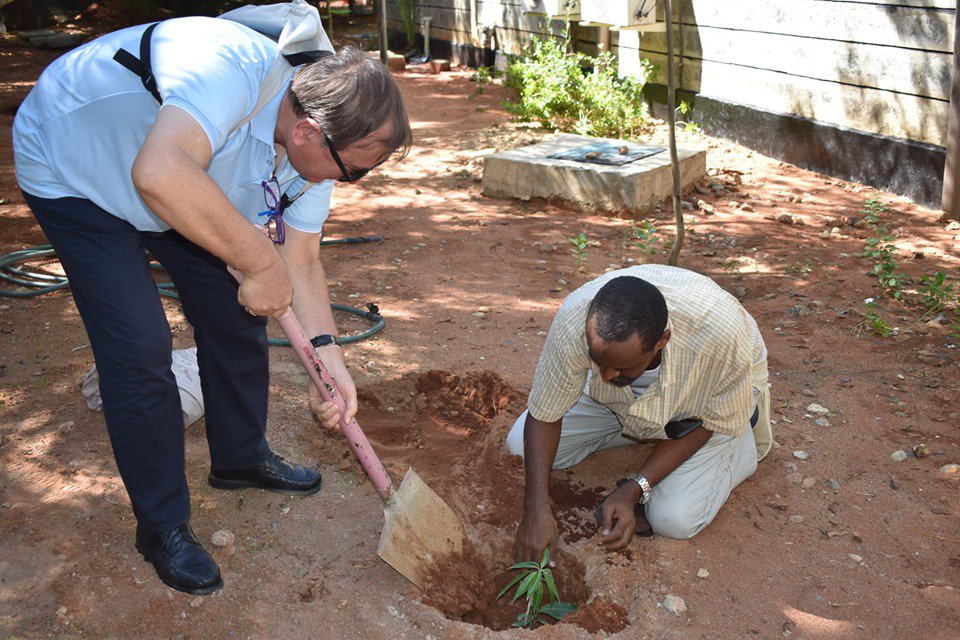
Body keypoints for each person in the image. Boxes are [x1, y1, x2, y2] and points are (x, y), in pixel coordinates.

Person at [12, 15, 411, 594]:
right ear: (306, 132)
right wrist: (258, 260)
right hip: (79, 173)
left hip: (181, 184)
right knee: (140, 348)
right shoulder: (227, 72)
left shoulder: (323, 140)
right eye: (354, 172)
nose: (353, 182)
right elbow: (159, 172)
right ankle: (162, 527)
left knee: (234, 313)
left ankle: (239, 457)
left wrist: (331, 360)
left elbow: (299, 261)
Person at [507, 265, 772, 562]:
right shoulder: (576, 319)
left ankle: (738, 444)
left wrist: (634, 489)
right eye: (599, 361)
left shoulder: (721, 340)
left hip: (704, 400)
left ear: (661, 341)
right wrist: (535, 510)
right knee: (519, 447)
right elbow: (544, 414)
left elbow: (707, 422)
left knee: (673, 519)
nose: (607, 375)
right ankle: (643, 426)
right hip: (623, 399)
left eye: (620, 367)